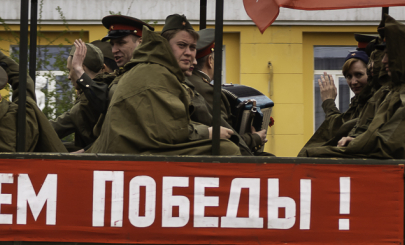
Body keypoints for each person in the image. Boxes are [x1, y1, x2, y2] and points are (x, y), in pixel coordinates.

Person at [88, 15, 239, 156]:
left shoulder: (160, 70)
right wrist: (208, 132)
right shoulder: (156, 73)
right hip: (129, 154)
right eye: (181, 45)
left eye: (192, 47)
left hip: (132, 148)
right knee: (227, 149)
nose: (189, 53)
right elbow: (167, 131)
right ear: (165, 46)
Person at [300, 16, 405, 160]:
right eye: (348, 76)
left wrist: (356, 142)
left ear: (404, 55)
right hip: (384, 156)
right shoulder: (396, 89)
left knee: (310, 155)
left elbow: (395, 141)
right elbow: (366, 127)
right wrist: (355, 138)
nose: (383, 61)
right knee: (310, 153)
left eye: (390, 54)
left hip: (396, 163)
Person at [186, 29, 266, 155]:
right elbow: (226, 135)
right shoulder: (207, 90)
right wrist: (255, 138)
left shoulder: (186, 81)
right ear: (210, 61)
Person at [51, 40, 106, 151]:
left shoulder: (87, 100)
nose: (68, 77)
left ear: (81, 69)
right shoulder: (108, 85)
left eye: (69, 70)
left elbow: (55, 128)